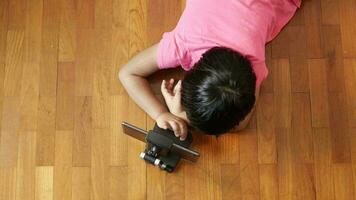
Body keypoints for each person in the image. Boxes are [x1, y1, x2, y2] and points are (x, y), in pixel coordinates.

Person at [119, 0, 301, 140]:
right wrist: (163, 113)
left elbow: (242, 123)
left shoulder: (253, 62)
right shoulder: (184, 43)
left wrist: (178, 114)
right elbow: (128, 74)